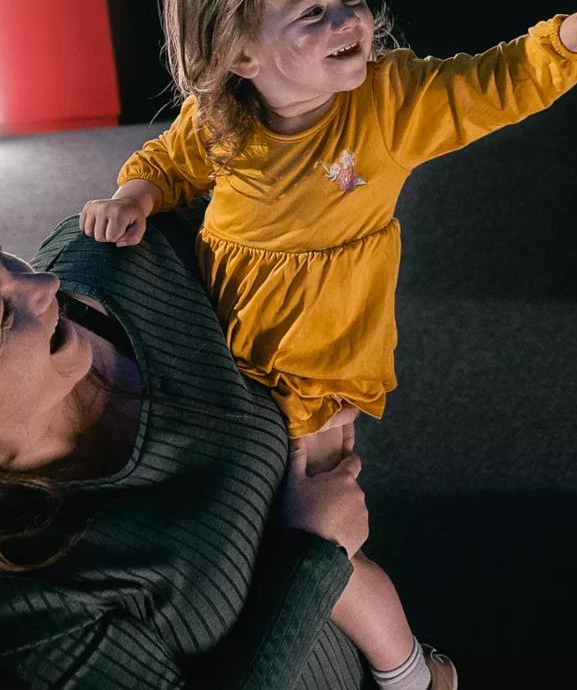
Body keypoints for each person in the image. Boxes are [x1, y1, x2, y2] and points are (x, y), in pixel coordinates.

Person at [73, 0, 577, 689]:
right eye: (314, 10)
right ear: (238, 54)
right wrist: (136, 194)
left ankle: (411, 674)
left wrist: (569, 36)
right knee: (240, 525)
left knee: (316, 547)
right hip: (225, 367)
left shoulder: (385, 105)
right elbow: (171, 159)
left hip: (314, 379)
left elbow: (485, 86)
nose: (351, 19)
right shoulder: (221, 120)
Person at [0, 212, 371, 688]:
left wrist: (327, 367)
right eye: (3, 314)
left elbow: (312, 224)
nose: (44, 283)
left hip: (366, 645)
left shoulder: (113, 254)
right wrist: (316, 552)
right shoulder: (22, 617)